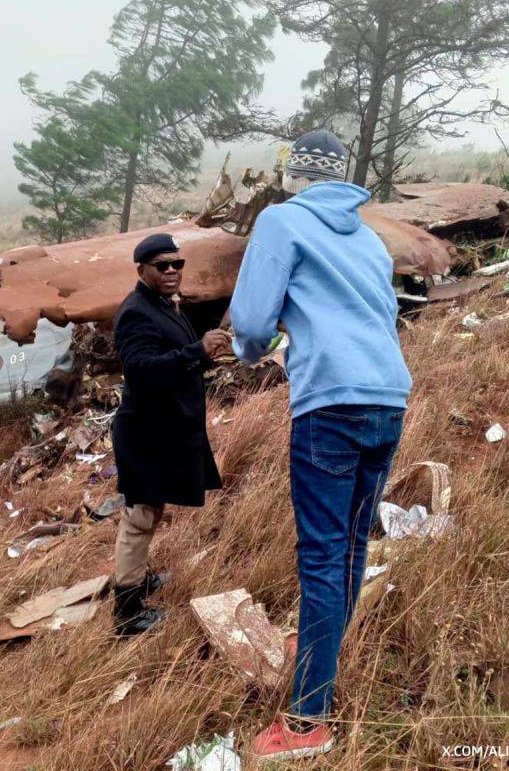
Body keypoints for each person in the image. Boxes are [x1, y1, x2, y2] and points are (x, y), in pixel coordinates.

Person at [229, 130, 411, 761]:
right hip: (388, 397)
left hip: (330, 404)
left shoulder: (282, 221)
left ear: (297, 178)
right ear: (342, 177)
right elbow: (385, 316)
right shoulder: (369, 239)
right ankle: (324, 663)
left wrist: (251, 352)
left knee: (322, 555)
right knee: (353, 545)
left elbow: (251, 323)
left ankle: (307, 722)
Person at [111, 232, 230, 637]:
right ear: (141, 270)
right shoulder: (135, 312)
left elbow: (170, 361)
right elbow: (141, 370)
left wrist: (204, 357)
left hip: (162, 428)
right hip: (145, 432)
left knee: (150, 510)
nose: (172, 271)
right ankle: (127, 612)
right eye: (162, 265)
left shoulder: (161, 305)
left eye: (177, 264)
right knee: (140, 516)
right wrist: (198, 352)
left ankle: (138, 578)